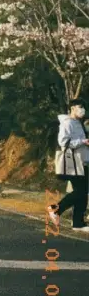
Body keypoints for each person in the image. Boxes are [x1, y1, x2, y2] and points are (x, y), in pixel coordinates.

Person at [47, 98, 89, 232]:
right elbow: (63, 142)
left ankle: (78, 223)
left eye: (84, 107)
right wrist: (83, 141)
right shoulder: (67, 123)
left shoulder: (78, 123)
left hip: (82, 162)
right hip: (73, 163)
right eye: (80, 106)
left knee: (82, 192)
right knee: (81, 191)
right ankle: (55, 210)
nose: (82, 109)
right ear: (72, 108)